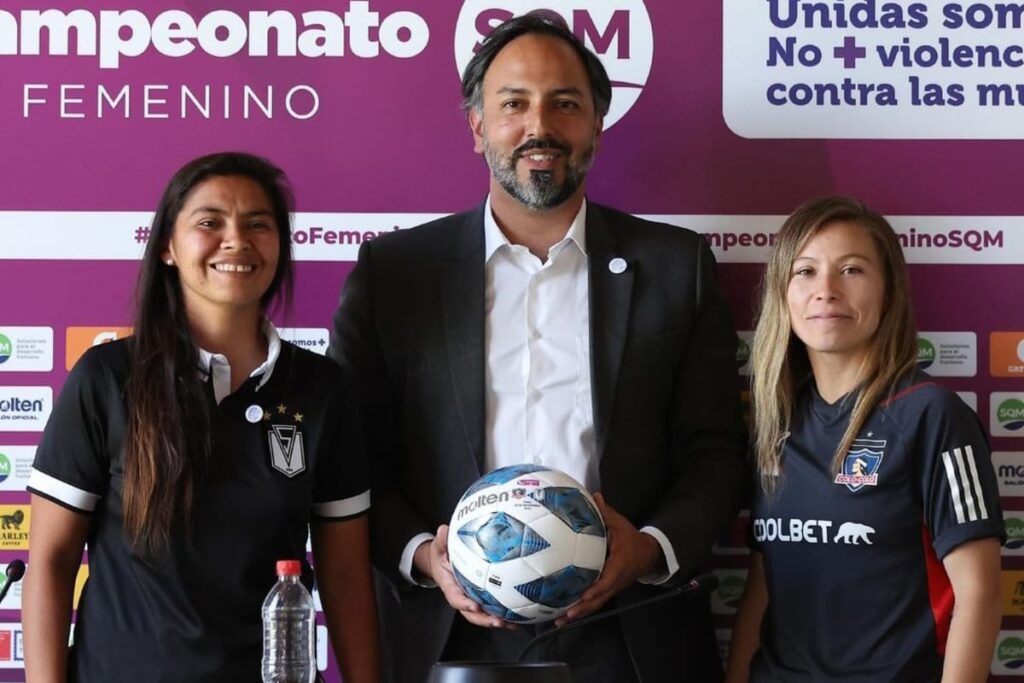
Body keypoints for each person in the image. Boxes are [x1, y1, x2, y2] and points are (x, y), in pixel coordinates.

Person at [328, 12, 747, 683]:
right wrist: (426, 557)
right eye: (513, 103)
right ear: (477, 127)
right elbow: (350, 461)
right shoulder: (394, 276)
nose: (539, 126)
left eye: (565, 104)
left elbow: (717, 452)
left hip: (629, 635)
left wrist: (644, 549)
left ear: (597, 126)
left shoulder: (677, 268)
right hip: (447, 636)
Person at [23, 152, 379, 682]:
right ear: (167, 246)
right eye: (209, 223)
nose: (236, 240)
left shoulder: (323, 390)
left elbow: (346, 576)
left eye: (258, 224)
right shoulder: (107, 378)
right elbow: (50, 563)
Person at [726, 197, 1003, 682]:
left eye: (851, 270)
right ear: (782, 294)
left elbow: (978, 591)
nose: (825, 291)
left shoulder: (932, 416)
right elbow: (763, 585)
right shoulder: (775, 423)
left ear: (889, 291)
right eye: (805, 271)